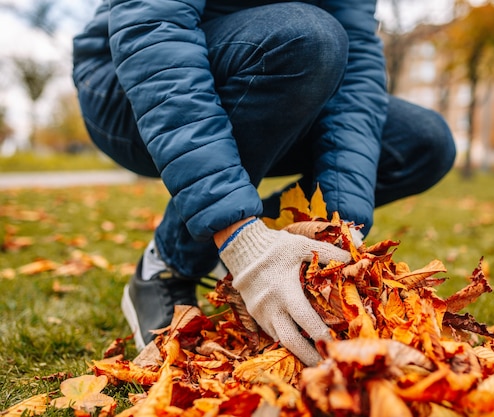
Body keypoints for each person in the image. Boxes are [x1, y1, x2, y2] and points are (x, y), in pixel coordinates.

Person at [72, 0, 456, 366]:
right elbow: (154, 31)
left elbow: (355, 66)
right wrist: (240, 240)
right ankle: (169, 264)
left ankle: (274, 258)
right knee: (308, 41)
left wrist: (338, 230)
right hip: (132, 78)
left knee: (423, 142)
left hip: (284, 64)